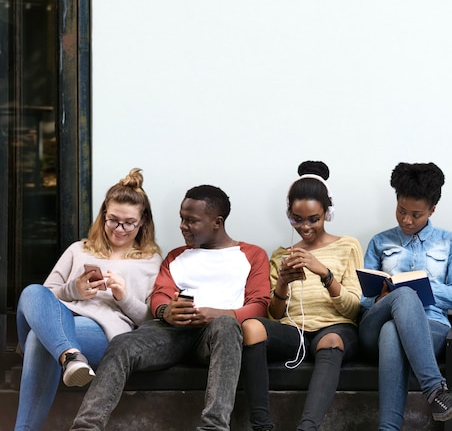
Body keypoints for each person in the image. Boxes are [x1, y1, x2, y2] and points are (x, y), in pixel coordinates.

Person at [70, 184, 271, 431]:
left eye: (191, 220)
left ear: (217, 222)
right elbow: (160, 296)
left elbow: (259, 306)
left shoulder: (251, 255)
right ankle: (85, 427)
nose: (182, 226)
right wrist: (167, 311)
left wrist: (218, 314)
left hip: (216, 335)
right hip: (171, 332)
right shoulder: (176, 256)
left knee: (227, 325)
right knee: (122, 344)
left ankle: (213, 428)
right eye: (181, 218)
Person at [15, 168, 162, 431]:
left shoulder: (150, 261)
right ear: (103, 216)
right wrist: (74, 290)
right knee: (31, 291)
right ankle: (70, 355)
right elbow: (42, 299)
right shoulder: (78, 249)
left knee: (39, 339)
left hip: (102, 332)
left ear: (143, 223)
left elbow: (149, 321)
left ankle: (67, 358)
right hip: (61, 320)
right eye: (113, 220)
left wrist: (124, 297)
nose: (119, 229)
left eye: (128, 222)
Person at [241, 161, 364, 431]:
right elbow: (274, 314)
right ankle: (262, 426)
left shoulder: (348, 246)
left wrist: (324, 273)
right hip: (293, 332)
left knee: (330, 339)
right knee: (251, 327)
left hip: (335, 330)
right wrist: (283, 284)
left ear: (327, 214)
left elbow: (354, 309)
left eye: (313, 219)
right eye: (296, 219)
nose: (304, 227)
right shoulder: (281, 254)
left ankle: (307, 428)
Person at [359, 162, 452, 430]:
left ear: (432, 210)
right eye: (401, 211)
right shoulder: (379, 241)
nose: (406, 220)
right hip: (372, 327)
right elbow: (361, 298)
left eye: (416, 215)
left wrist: (425, 286)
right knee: (397, 305)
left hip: (430, 326)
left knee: (392, 331)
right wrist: (381, 299)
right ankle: (435, 391)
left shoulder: (451, 242)